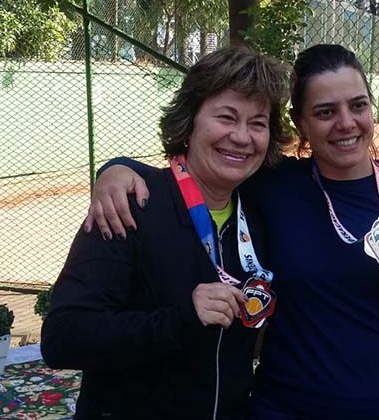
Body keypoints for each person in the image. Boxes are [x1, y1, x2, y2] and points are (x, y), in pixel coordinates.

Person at [85, 44, 379, 419]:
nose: (346, 123)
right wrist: (117, 170)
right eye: (325, 112)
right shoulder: (275, 183)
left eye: (358, 105)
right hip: (288, 406)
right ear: (301, 124)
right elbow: (197, 170)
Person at [41, 46, 294, 420]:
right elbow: (63, 337)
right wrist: (179, 320)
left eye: (257, 123)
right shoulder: (130, 207)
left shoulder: (261, 213)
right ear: (189, 122)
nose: (242, 137)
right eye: (226, 117)